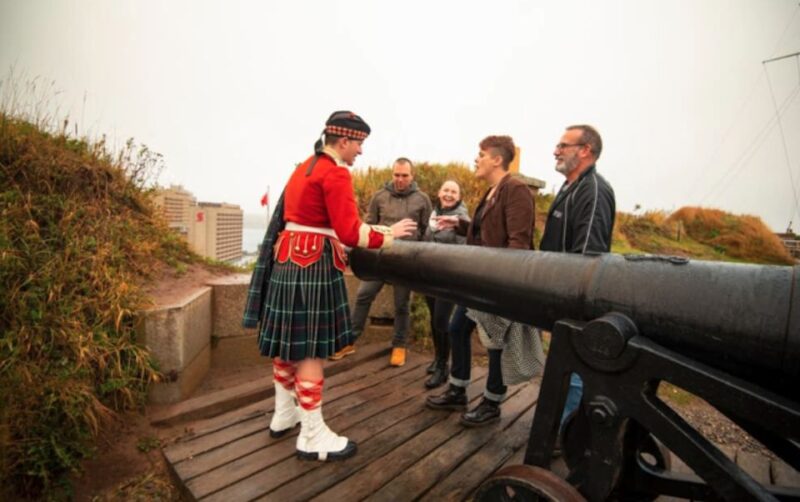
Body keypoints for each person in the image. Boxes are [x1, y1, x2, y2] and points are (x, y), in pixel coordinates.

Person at [242, 111, 416, 462]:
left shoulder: (304, 166)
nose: (360, 153)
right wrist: (389, 234)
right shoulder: (334, 172)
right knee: (309, 352)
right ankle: (312, 435)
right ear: (344, 140)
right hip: (314, 264)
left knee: (288, 344)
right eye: (359, 144)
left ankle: (285, 414)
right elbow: (351, 232)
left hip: (287, 261)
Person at [426, 135, 544, 427]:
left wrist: (501, 284)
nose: (475, 159)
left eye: (480, 154)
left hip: (496, 282)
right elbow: (487, 231)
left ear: (497, 159)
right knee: (456, 328)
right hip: (478, 280)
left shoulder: (515, 189)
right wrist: (461, 224)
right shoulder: (493, 190)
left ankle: (492, 402)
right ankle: (458, 388)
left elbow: (518, 243)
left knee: (495, 343)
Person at [539, 124, 615, 435]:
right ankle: (560, 423)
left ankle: (565, 432)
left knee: (574, 370)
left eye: (563, 145)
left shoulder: (594, 190)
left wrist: (570, 300)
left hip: (575, 298)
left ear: (585, 150)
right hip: (559, 293)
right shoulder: (569, 187)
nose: (556, 150)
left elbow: (589, 255)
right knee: (563, 366)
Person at [332, 158, 432, 367]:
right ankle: (349, 340)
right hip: (379, 260)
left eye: (404, 175)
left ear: (412, 176)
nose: (400, 179)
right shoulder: (379, 196)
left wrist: (420, 260)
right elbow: (367, 227)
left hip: (406, 262)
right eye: (396, 175)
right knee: (363, 295)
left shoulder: (422, 199)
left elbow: (426, 232)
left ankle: (399, 345)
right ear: (392, 173)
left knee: (401, 305)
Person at [422, 180, 470, 389]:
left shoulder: (461, 219)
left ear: (459, 197)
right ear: (439, 193)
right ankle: (438, 357)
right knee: (434, 319)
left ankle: (443, 366)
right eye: (446, 190)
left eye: (453, 191)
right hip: (430, 277)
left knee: (442, 320)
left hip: (447, 279)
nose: (449, 194)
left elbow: (463, 252)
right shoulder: (434, 215)